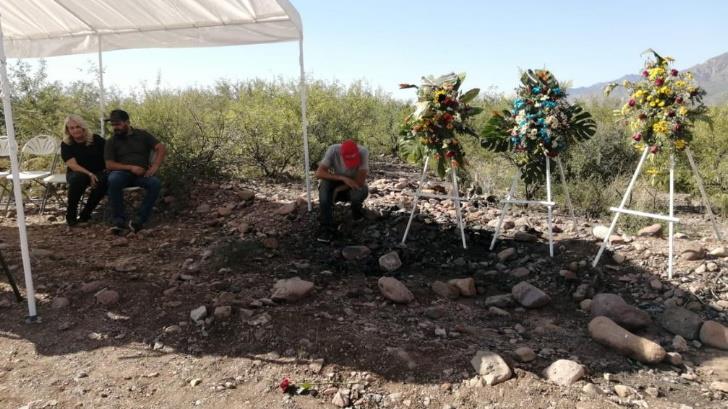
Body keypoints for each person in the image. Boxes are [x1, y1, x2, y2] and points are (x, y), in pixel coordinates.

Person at [104, 109, 166, 234]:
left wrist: (155, 166)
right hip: (121, 173)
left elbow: (161, 147)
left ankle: (139, 220)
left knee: (155, 183)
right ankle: (119, 221)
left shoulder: (142, 135)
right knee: (113, 179)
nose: (116, 128)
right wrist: (131, 168)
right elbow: (109, 164)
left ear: (127, 122)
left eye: (118, 124)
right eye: (113, 125)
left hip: (142, 174)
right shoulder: (112, 141)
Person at [315, 139, 369, 241]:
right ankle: (326, 226)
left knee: (357, 193)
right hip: (339, 180)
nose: (351, 165)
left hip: (354, 183)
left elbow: (360, 182)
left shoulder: (363, 152)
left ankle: (356, 213)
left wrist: (339, 189)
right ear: (341, 154)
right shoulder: (333, 150)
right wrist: (343, 178)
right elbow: (319, 173)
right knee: (324, 185)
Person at [60, 115, 107, 226]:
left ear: (83, 127)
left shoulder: (96, 139)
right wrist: (89, 174)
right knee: (78, 178)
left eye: (78, 127)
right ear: (68, 130)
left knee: (104, 180)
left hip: (98, 171)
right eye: (72, 128)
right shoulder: (66, 144)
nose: (75, 130)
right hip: (77, 172)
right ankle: (71, 217)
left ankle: (85, 215)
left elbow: (109, 156)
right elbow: (72, 165)